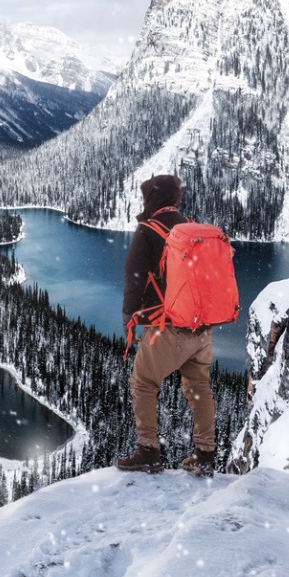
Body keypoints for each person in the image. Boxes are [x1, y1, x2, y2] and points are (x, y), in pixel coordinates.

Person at [114, 174, 216, 477]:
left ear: (152, 199)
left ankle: (148, 452)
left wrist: (129, 319)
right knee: (198, 386)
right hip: (202, 328)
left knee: (143, 383)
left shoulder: (148, 231)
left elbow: (133, 278)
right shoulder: (189, 229)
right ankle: (205, 456)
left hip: (168, 326)